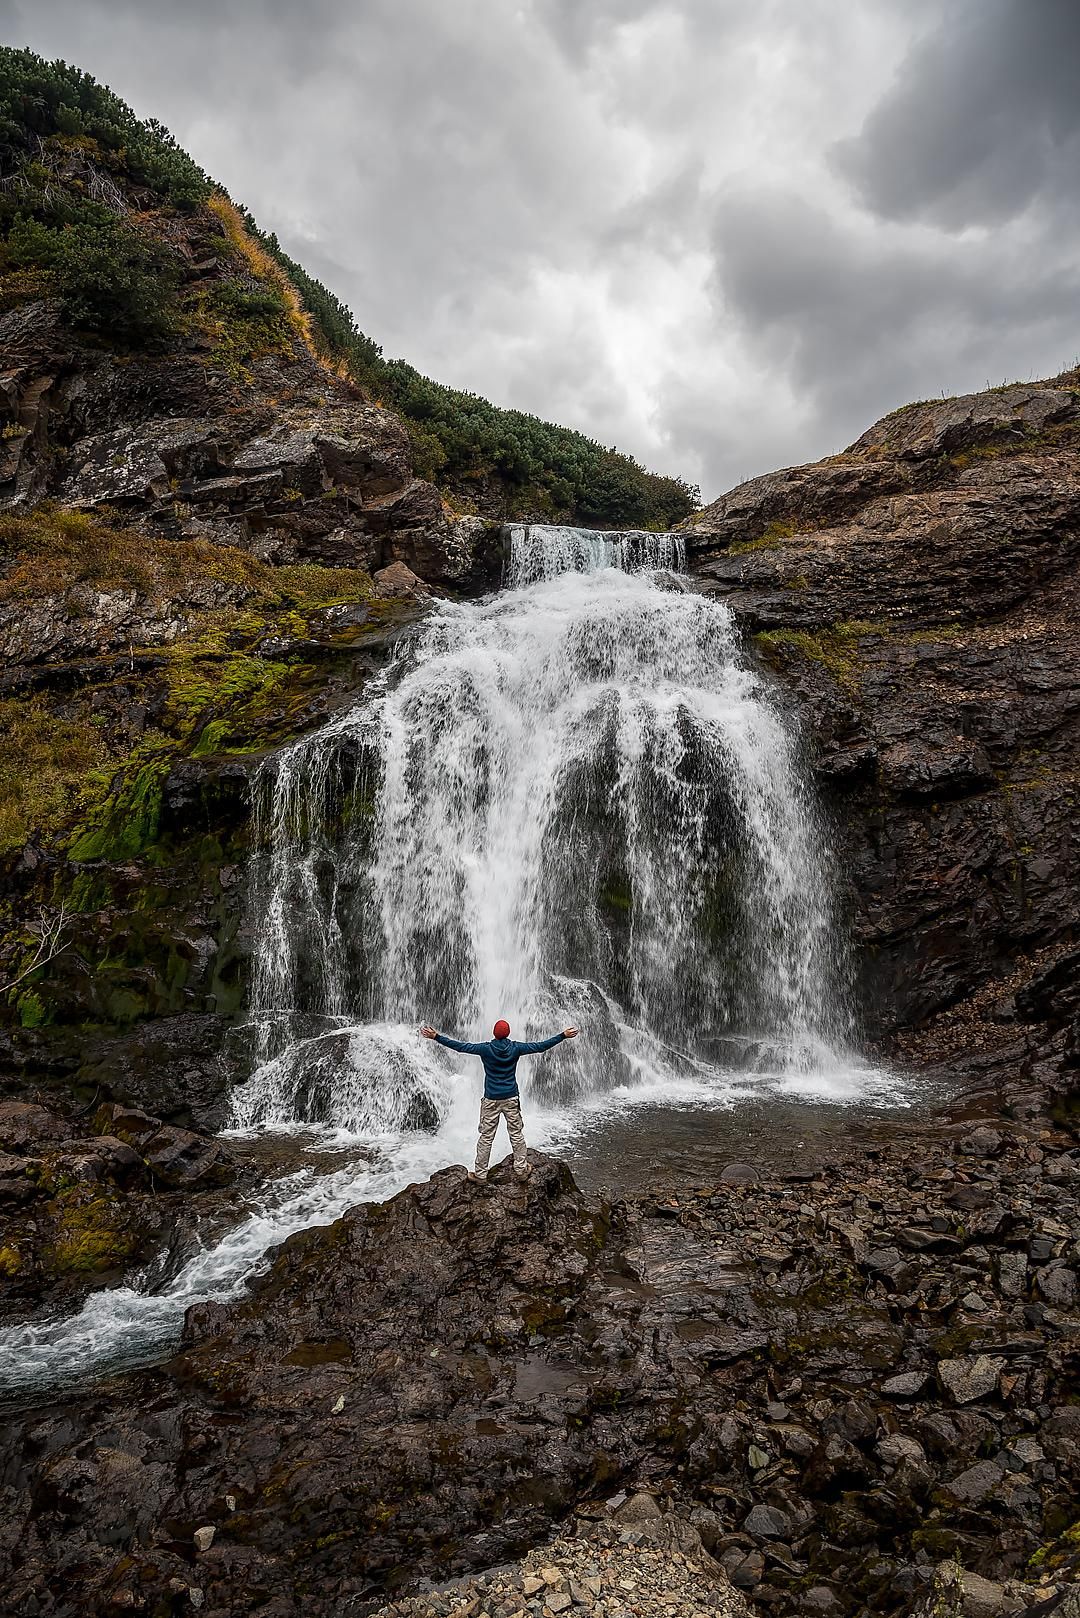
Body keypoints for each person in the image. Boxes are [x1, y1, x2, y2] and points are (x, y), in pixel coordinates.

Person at [420, 1017, 579, 1180]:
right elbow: (540, 1047)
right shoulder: (516, 1048)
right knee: (516, 1133)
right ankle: (521, 1169)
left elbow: (461, 1047)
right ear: (508, 1033)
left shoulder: (485, 1049)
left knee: (486, 1137)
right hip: (511, 1097)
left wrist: (436, 1037)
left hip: (491, 1099)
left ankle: (481, 1174)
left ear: (494, 1034)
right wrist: (563, 1035)